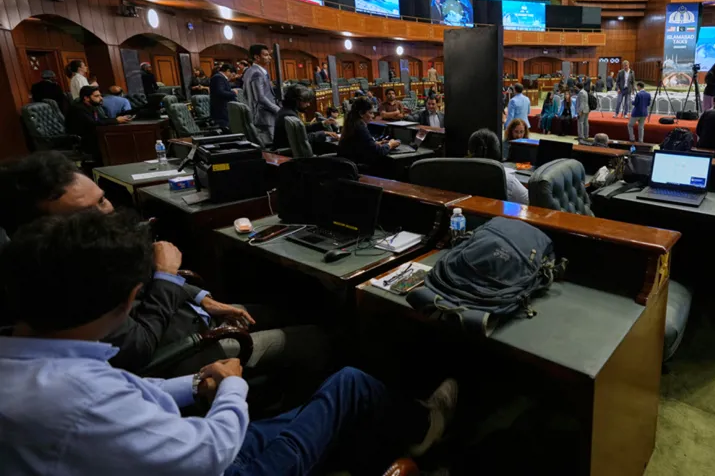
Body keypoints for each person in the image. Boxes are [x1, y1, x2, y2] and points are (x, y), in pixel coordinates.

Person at [0, 210, 457, 476]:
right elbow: (209, 453)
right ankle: (425, 428)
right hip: (223, 464)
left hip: (174, 440)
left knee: (314, 411)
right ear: (130, 299)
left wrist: (194, 384)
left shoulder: (27, 364)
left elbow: (123, 392)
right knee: (349, 383)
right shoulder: (79, 401)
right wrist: (234, 386)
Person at [0, 152, 329, 379]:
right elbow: (138, 349)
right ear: (41, 232)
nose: (107, 214)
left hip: (192, 314)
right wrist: (166, 276)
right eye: (85, 213)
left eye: (102, 199)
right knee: (315, 338)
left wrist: (201, 297)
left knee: (287, 309)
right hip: (185, 350)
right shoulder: (60, 288)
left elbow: (151, 280)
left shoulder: (91, 248)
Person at [467, 128, 529, 205]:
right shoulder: (507, 179)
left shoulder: (458, 171)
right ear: (497, 151)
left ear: (469, 151)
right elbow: (530, 201)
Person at [66, 86, 131, 159]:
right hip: (82, 140)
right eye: (97, 96)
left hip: (93, 136)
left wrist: (117, 120)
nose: (101, 98)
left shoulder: (93, 106)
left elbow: (101, 120)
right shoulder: (78, 109)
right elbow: (93, 123)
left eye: (100, 95)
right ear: (86, 98)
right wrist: (116, 120)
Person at [272, 85, 338, 155]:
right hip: (289, 154)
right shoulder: (289, 115)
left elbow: (302, 130)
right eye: (306, 101)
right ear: (297, 101)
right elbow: (302, 138)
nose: (308, 104)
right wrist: (323, 133)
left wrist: (323, 123)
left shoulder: (286, 111)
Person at [338, 97, 400, 165]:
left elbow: (361, 145)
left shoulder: (352, 123)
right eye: (370, 113)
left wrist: (375, 143)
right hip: (357, 167)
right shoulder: (360, 127)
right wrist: (390, 145)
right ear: (361, 113)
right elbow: (377, 152)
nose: (373, 116)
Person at [241, 44, 280, 144]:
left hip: (256, 114)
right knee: (271, 148)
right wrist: (278, 109)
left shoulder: (249, 71)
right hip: (264, 117)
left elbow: (245, 94)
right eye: (266, 55)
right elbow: (260, 98)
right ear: (257, 57)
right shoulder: (257, 73)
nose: (269, 57)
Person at [210, 63, 237, 129]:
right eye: (232, 74)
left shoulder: (220, 77)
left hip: (223, 109)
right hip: (221, 109)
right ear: (228, 71)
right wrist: (233, 93)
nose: (232, 77)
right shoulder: (218, 77)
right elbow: (220, 92)